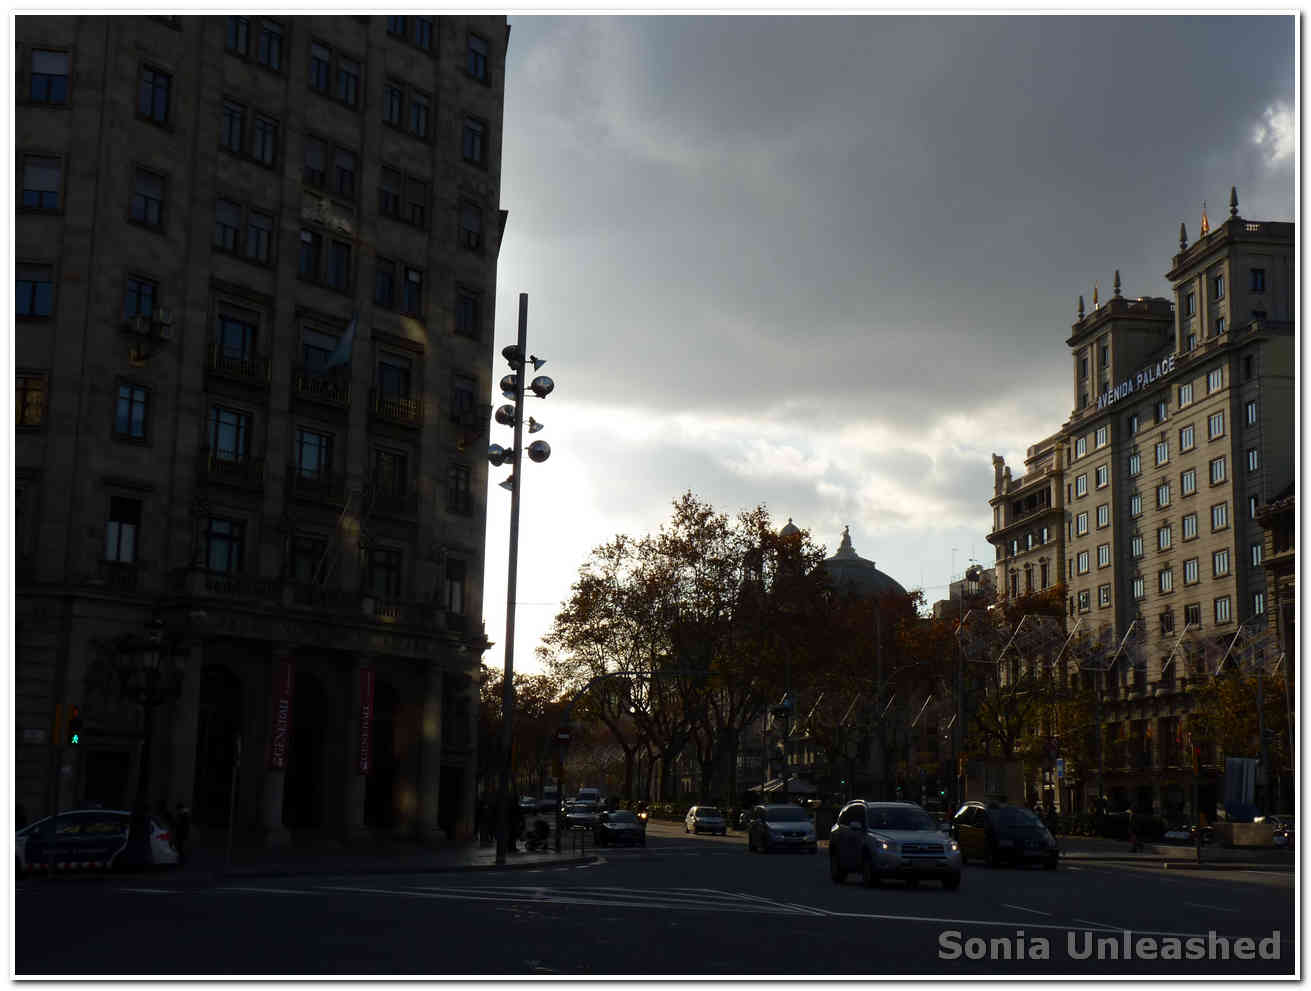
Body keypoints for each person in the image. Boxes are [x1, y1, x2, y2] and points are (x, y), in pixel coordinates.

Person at [173, 801, 191, 865]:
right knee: (180, 847)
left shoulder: (182, 815)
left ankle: (181, 860)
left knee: (179, 847)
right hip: (182, 833)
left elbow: (179, 824)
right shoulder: (184, 814)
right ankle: (181, 859)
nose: (177, 811)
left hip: (181, 833)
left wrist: (176, 824)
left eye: (177, 809)